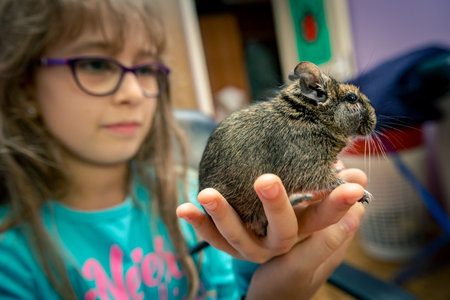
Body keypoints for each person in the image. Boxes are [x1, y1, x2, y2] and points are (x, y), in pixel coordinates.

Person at [0, 0, 366, 299]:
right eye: (96, 64)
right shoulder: (10, 259)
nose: (132, 92)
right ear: (26, 86)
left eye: (145, 68)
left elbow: (230, 288)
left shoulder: (193, 193)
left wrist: (275, 267)